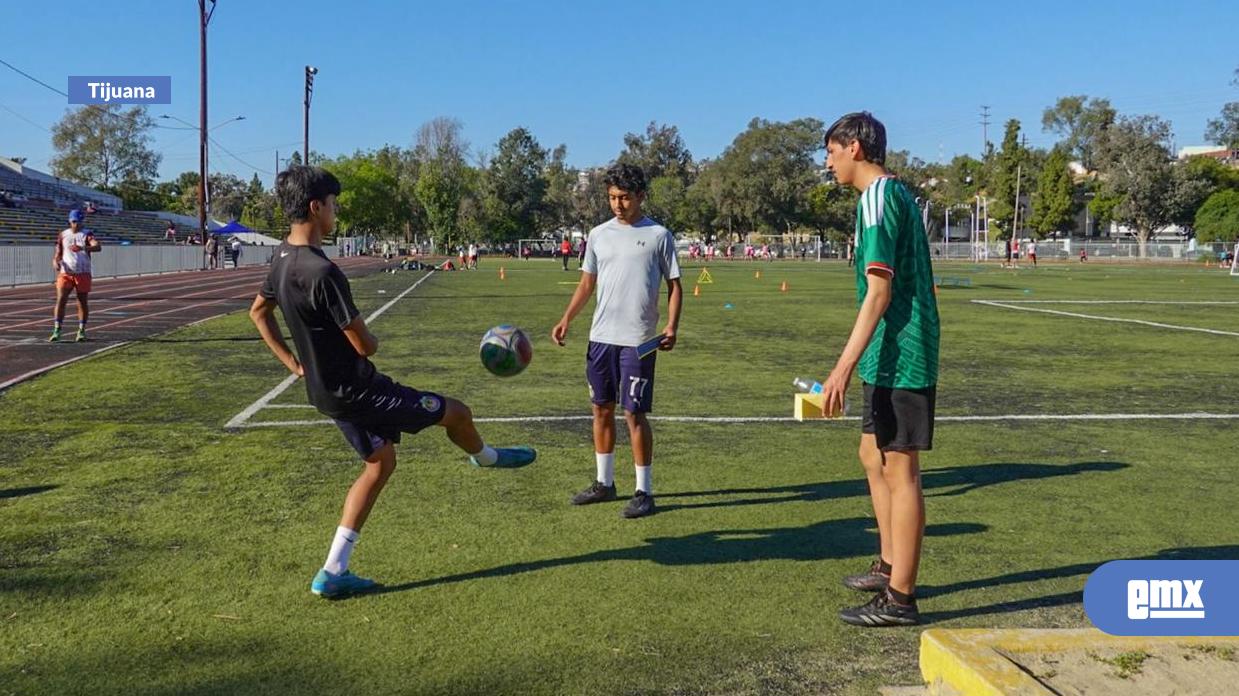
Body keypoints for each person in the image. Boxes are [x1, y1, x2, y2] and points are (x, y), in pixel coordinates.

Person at [248, 166, 536, 599]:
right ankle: (487, 457)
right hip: (360, 391)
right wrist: (370, 340)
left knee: (381, 463)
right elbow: (364, 345)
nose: (335, 212)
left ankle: (333, 570)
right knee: (458, 413)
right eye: (333, 204)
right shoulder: (322, 272)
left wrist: (294, 363)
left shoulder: (282, 258)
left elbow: (258, 312)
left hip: (325, 392)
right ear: (316, 207)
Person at [820, 112, 940, 627]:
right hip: (887, 352)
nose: (828, 163)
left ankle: (900, 599)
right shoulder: (892, 195)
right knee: (872, 455)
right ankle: (889, 563)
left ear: (854, 148)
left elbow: (880, 292)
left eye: (831, 152)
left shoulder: (877, 198)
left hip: (902, 353)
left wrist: (841, 368)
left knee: (900, 468)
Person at [551, 163, 682, 519]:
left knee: (634, 413)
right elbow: (586, 284)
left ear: (640, 196)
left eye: (624, 197)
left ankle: (644, 491)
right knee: (601, 409)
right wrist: (566, 319)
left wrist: (671, 326)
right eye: (612, 197)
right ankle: (604, 483)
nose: (618, 204)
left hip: (639, 340)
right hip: (601, 337)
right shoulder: (598, 235)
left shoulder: (659, 235)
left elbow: (675, 286)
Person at [50, 209, 101, 342]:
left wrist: (83, 248)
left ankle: (81, 330)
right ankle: (57, 329)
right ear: (69, 221)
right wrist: (55, 262)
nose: (76, 224)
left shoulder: (87, 234)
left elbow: (97, 246)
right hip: (66, 272)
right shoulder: (63, 235)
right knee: (61, 299)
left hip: (82, 272)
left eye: (78, 221)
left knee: (81, 301)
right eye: (74, 221)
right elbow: (58, 253)